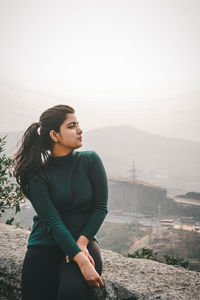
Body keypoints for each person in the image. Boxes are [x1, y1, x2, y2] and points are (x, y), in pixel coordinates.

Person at [13, 104, 108, 300]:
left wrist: (81, 246)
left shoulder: (90, 161)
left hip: (82, 241)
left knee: (71, 294)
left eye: (78, 124)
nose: (80, 130)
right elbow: (54, 223)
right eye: (72, 126)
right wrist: (81, 259)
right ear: (55, 135)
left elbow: (100, 208)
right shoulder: (37, 175)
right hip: (44, 245)